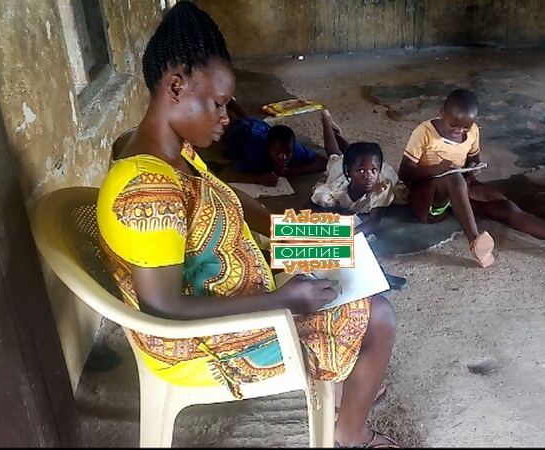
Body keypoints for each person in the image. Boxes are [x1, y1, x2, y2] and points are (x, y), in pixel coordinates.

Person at [95, 2, 400, 447]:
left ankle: (348, 385)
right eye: (219, 105)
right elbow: (162, 308)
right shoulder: (148, 190)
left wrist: (320, 235)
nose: (227, 118)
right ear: (176, 87)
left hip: (234, 292)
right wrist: (282, 299)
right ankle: (351, 433)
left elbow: (236, 205)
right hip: (201, 341)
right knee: (379, 316)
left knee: (348, 255)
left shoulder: (174, 152)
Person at [397, 88, 545, 268]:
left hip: (461, 188)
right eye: (453, 125)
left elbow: (473, 158)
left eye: (465, 127)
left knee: (505, 208)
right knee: (454, 179)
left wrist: (473, 169)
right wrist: (437, 169)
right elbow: (405, 173)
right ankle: (475, 242)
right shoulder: (424, 132)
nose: (459, 131)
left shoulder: (472, 133)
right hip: (428, 197)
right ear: (442, 113)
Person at [310, 108, 409, 290]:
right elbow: (325, 206)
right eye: (362, 171)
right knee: (334, 156)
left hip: (367, 171)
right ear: (350, 173)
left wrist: (345, 236)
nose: (368, 176)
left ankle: (349, 147)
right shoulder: (336, 188)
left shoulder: (381, 186)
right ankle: (326, 121)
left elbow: (373, 222)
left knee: (358, 155)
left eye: (373, 171)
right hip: (343, 171)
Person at [218, 99, 328, 186]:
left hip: (261, 127)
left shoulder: (293, 148)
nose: (283, 157)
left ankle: (230, 101)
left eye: (287, 152)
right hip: (241, 134)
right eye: (277, 151)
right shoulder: (255, 153)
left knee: (249, 119)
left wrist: (292, 171)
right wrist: (258, 179)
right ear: (268, 147)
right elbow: (228, 173)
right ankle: (225, 102)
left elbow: (323, 162)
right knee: (233, 123)